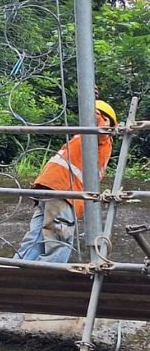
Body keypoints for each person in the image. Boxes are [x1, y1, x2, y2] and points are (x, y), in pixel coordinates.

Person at [14, 100, 117, 264]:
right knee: (59, 238)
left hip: (50, 187)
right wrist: (89, 99)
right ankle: (48, 278)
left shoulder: (92, 138)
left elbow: (97, 119)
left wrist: (91, 100)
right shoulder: (96, 137)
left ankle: (18, 270)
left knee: (36, 238)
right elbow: (96, 118)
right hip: (63, 190)